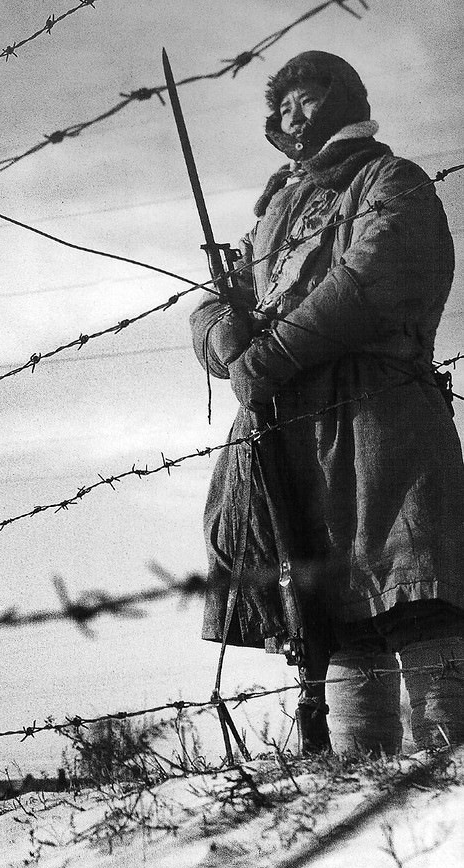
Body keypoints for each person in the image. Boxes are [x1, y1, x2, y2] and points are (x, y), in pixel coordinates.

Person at [190, 50, 464, 755]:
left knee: (413, 584)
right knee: (335, 607)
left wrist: (268, 357)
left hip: (381, 413)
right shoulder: (272, 212)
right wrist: (224, 337)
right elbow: (220, 306)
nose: (291, 115)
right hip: (293, 429)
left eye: (305, 99)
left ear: (343, 98)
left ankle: (443, 773)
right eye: (280, 109)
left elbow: (377, 272)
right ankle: (357, 783)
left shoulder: (389, 177)